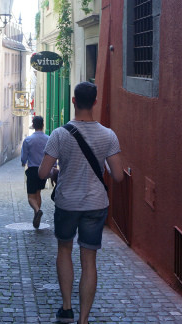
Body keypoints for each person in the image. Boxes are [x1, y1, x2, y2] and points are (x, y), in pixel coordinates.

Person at [38, 82, 125, 324]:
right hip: (96, 204)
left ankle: (67, 308)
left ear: (74, 101)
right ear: (95, 102)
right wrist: (105, 164)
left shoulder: (59, 134)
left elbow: (43, 173)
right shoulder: (108, 135)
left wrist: (56, 170)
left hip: (67, 203)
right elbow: (118, 176)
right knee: (89, 261)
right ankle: (84, 320)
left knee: (64, 250)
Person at [21, 115, 50, 228]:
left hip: (33, 170)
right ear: (43, 125)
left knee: (30, 197)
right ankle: (36, 217)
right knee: (38, 193)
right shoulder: (48, 139)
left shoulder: (28, 140)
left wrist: (23, 162)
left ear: (33, 125)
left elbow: (24, 157)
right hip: (43, 170)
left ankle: (37, 211)